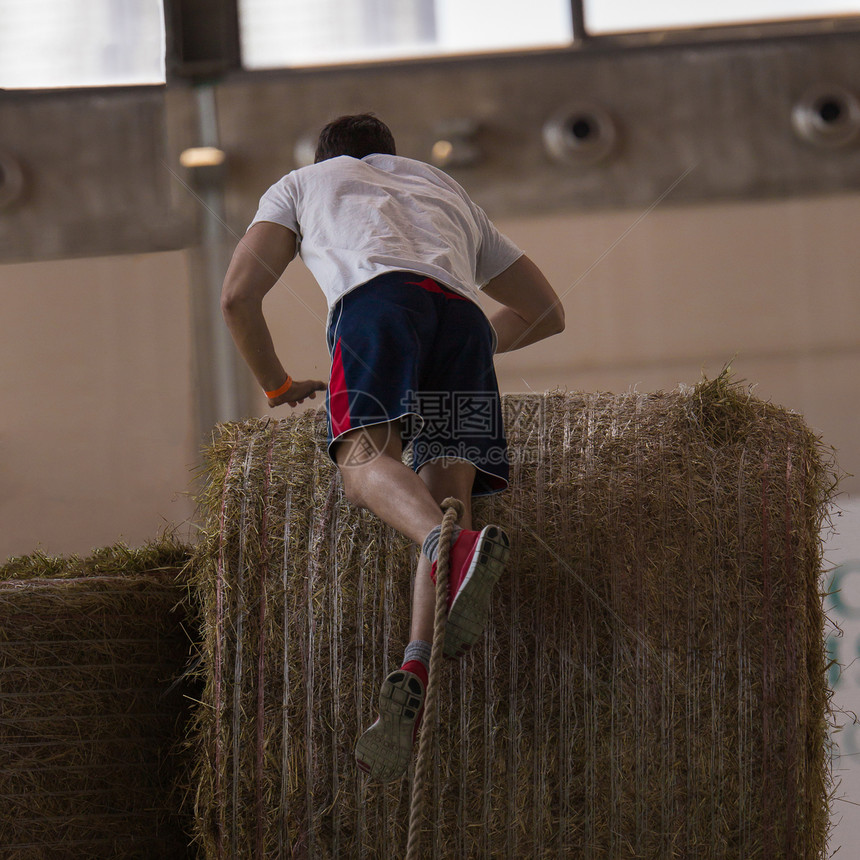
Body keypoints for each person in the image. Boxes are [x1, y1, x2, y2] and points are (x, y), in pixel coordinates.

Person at [221, 113, 564, 782]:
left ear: (324, 156)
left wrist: (277, 383)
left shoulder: (302, 183)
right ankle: (415, 659)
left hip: (377, 308)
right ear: (392, 155)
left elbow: (238, 297)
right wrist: (465, 347)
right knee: (446, 496)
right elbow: (545, 312)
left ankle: (448, 547)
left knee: (361, 463)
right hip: (461, 320)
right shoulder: (442, 188)